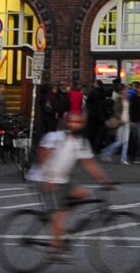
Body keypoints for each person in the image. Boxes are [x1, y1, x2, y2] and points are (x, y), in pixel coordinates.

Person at [29, 110, 108, 259]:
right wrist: (48, 178)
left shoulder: (81, 142)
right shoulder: (54, 137)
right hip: (44, 178)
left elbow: (88, 163)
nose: (74, 124)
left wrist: (105, 180)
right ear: (66, 122)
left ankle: (59, 223)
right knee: (57, 216)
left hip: (64, 180)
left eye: (78, 122)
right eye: (72, 121)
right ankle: (56, 249)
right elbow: (43, 156)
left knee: (83, 194)